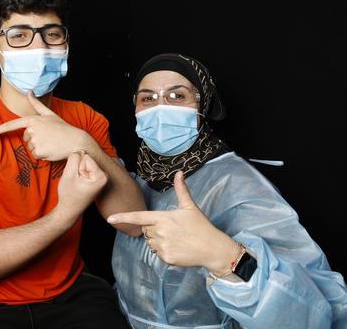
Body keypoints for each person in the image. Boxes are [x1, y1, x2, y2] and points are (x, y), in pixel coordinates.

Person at [0, 0, 145, 329]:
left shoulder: (86, 119)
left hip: (72, 295)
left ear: (66, 44)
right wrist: (66, 212)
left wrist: (81, 143)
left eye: (51, 34)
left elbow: (134, 223)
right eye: (19, 35)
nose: (38, 48)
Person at [107, 53, 347, 328]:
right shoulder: (137, 180)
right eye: (147, 98)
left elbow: (318, 311)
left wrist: (225, 257)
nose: (160, 108)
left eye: (177, 96)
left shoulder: (236, 182)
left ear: (203, 104)